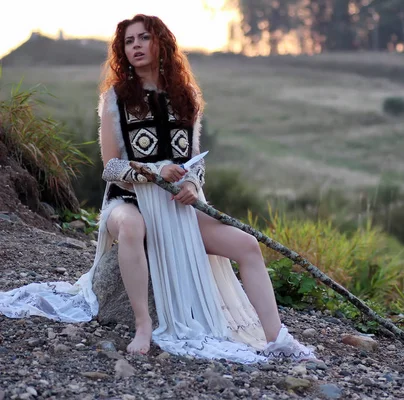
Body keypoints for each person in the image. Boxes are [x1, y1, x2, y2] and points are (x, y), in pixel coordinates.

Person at [0, 14, 315, 364]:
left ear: (161, 43)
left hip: (178, 205)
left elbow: (195, 160)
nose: (135, 46)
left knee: (247, 245)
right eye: (129, 41)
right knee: (133, 228)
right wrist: (153, 171)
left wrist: (192, 186)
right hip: (128, 200)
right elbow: (112, 167)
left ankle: (276, 338)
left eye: (143, 38)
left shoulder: (188, 96)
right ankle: (143, 326)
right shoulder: (115, 98)